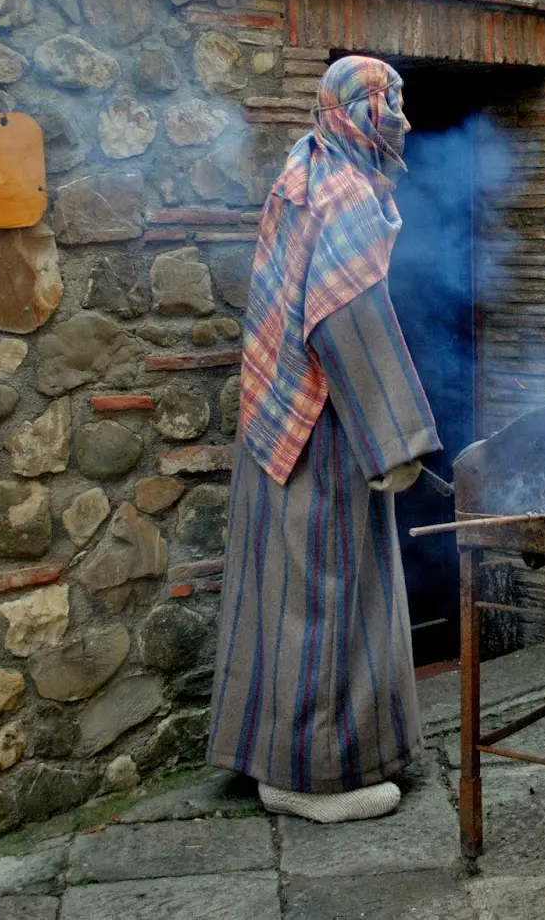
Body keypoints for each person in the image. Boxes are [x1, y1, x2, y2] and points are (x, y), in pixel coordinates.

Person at [207, 55, 440, 822]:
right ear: (356, 112)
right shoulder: (345, 193)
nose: (398, 117)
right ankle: (311, 777)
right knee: (326, 594)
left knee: (277, 590)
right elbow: (346, 322)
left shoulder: (306, 165)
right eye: (386, 102)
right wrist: (399, 441)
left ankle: (264, 750)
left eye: (399, 100)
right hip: (323, 424)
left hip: (276, 412)